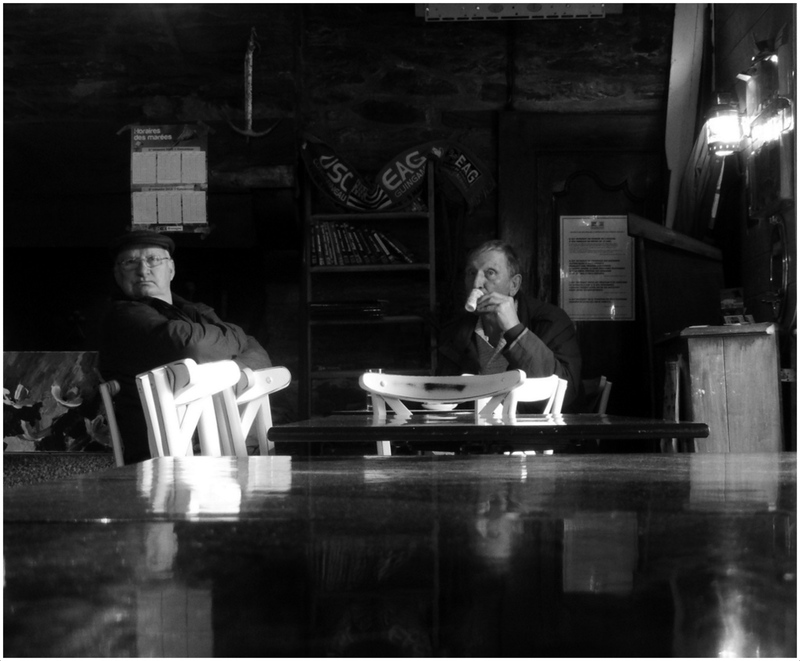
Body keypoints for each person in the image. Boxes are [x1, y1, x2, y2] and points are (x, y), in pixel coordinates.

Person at [99, 230, 272, 463]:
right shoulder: (124, 317)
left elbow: (261, 357)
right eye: (130, 262)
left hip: (219, 447)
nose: (143, 270)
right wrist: (236, 345)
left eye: (153, 259)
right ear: (117, 274)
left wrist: (230, 367)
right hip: (162, 457)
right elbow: (192, 347)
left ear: (171, 269)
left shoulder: (195, 311)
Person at [436, 239, 582, 411]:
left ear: (514, 285)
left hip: (534, 427)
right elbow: (442, 397)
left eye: (490, 273)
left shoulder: (551, 321)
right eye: (471, 272)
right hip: (474, 427)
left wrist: (515, 331)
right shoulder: (455, 330)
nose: (476, 284)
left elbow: (567, 394)